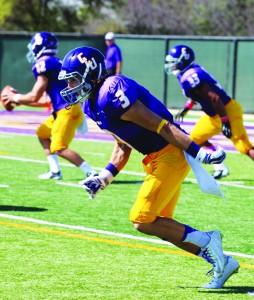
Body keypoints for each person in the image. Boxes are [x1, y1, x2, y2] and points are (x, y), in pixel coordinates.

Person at [57, 46, 240, 289]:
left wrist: (198, 151)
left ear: (91, 74)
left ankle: (209, 240)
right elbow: (123, 145)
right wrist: (103, 177)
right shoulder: (92, 104)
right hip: (156, 159)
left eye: (73, 80)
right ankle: (222, 262)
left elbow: (162, 126)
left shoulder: (111, 91)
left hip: (170, 154)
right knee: (163, 224)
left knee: (142, 219)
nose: (69, 87)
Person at [3, 32, 97, 181]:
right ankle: (55, 171)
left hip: (67, 110)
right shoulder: (55, 63)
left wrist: (15, 97)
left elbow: (35, 96)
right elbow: (44, 100)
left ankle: (92, 173)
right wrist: (19, 101)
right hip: (65, 110)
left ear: (39, 47)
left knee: (59, 148)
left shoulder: (44, 64)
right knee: (42, 133)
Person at [164, 44, 254, 178]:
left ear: (184, 61)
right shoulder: (186, 74)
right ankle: (220, 166)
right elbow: (198, 95)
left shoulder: (191, 75)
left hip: (227, 110)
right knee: (195, 139)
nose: (172, 66)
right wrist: (186, 108)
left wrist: (225, 122)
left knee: (244, 147)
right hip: (214, 115)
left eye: (174, 62)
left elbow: (215, 98)